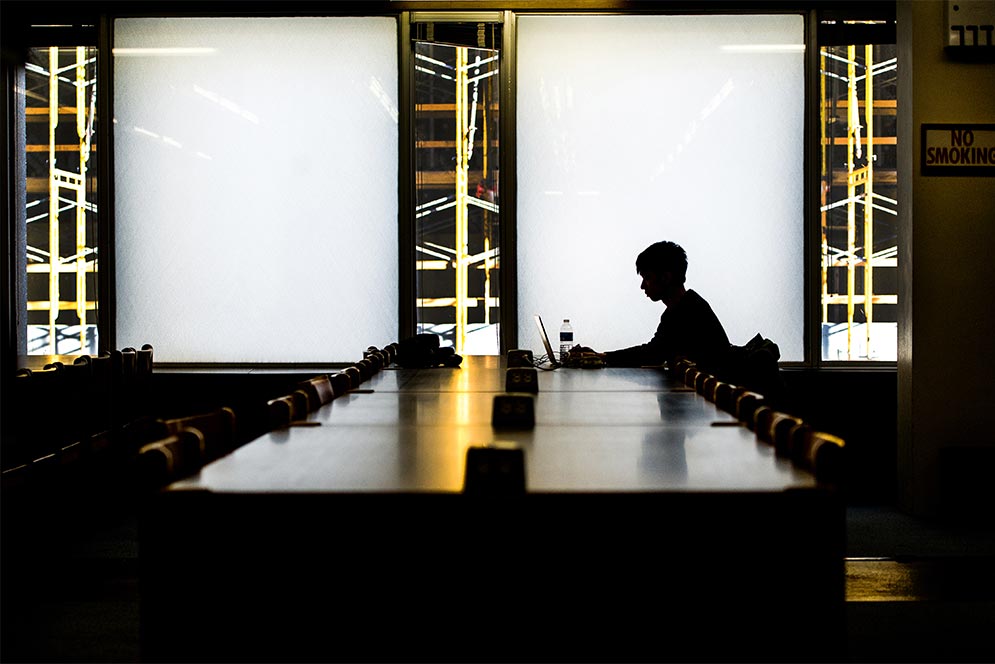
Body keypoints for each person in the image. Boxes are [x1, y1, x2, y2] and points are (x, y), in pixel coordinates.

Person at [577, 241, 731, 370]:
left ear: (665, 278)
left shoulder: (687, 311)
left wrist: (602, 357)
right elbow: (654, 352)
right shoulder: (682, 308)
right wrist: (602, 356)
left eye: (647, 278)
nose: (643, 286)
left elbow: (653, 354)